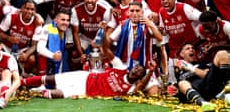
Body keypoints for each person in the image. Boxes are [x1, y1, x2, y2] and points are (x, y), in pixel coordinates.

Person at [20, 34, 157, 99]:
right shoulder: (121, 67)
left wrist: (150, 71)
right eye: (136, 67)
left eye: (139, 72)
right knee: (49, 79)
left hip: (85, 91)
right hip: (84, 76)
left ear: (140, 77)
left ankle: (35, 92)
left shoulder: (131, 88)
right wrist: (104, 36)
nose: (136, 70)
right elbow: (108, 52)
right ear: (131, 68)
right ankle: (20, 83)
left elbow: (140, 86)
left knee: (55, 95)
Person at [108, 1, 163, 95]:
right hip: (127, 68)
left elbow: (160, 38)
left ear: (142, 12)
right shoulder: (122, 26)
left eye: (137, 11)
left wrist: (151, 25)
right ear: (128, 13)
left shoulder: (147, 25)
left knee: (154, 94)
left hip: (146, 67)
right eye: (132, 11)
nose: (134, 13)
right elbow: (109, 41)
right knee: (127, 95)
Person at [173, 42, 230, 111]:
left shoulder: (202, 64)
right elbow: (173, 84)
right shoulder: (176, 68)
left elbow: (206, 74)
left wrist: (190, 68)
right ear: (181, 54)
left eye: (193, 48)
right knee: (182, 83)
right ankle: (202, 102)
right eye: (187, 49)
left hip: (207, 85)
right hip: (194, 91)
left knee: (222, 53)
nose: (191, 50)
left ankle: (228, 94)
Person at [159, 0, 201, 83]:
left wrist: (200, 35)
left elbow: (202, 16)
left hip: (192, 49)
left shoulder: (184, 8)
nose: (165, 1)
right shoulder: (161, 12)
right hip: (174, 52)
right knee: (173, 84)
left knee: (195, 77)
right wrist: (161, 30)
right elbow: (165, 32)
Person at [70, 0, 115, 70]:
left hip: (100, 37)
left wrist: (102, 45)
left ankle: (106, 72)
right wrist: (81, 54)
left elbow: (108, 29)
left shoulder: (105, 9)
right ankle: (80, 74)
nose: (89, 1)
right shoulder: (75, 10)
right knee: (74, 54)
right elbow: (75, 33)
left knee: (108, 52)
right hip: (85, 37)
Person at [0, 0, 43, 76]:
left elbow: (35, 45)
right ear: (22, 8)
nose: (29, 11)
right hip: (6, 47)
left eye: (32, 9)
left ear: (35, 11)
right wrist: (9, 38)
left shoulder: (37, 23)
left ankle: (23, 78)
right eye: (27, 8)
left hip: (22, 49)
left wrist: (27, 54)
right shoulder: (12, 17)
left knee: (32, 59)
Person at [36, 10, 70, 75]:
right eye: (63, 20)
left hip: (56, 64)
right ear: (55, 20)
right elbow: (39, 48)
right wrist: (53, 56)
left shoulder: (65, 31)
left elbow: (60, 55)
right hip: (45, 62)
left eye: (68, 20)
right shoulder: (47, 27)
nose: (65, 22)